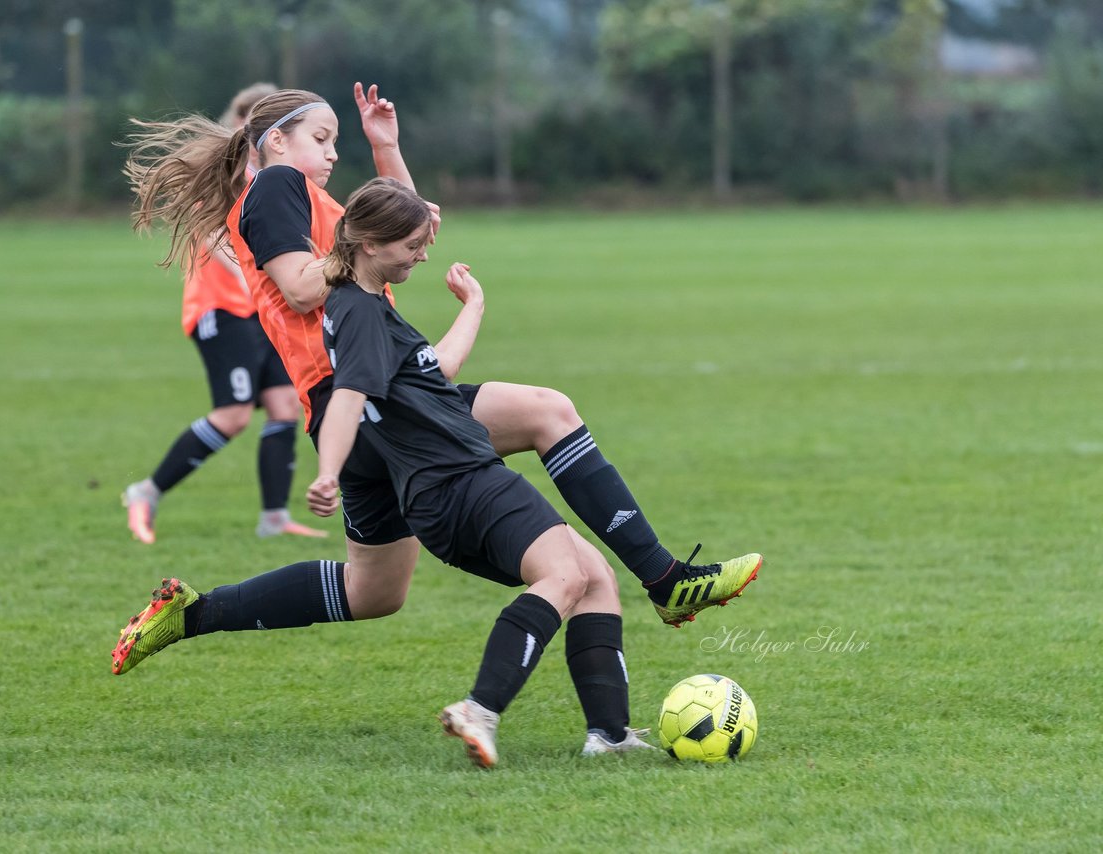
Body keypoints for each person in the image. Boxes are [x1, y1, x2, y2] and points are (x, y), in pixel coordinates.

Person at [123, 83, 761, 629]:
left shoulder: (309, 198)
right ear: (277, 142)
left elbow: (399, 228)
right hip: (371, 394)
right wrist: (362, 248)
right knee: (548, 415)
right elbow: (298, 288)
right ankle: (663, 582)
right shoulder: (276, 188)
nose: (332, 152)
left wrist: (386, 150)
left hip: (374, 394)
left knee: (374, 593)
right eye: (323, 138)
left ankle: (193, 614)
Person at [114, 178, 673, 767]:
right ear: (371, 244)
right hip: (463, 481)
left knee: (582, 576)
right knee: (564, 575)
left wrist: (475, 306)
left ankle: (608, 735)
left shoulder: (364, 302)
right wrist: (327, 471)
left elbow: (435, 369)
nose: (423, 253)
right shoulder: (357, 314)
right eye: (412, 243)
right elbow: (350, 396)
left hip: (438, 492)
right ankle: (482, 709)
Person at [120, 83, 326, 544]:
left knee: (283, 405)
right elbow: (212, 236)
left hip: (262, 311)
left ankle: (274, 518)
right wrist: (251, 277)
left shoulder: (278, 178)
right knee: (232, 415)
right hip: (222, 310)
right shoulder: (230, 173)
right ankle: (146, 491)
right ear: (245, 126)